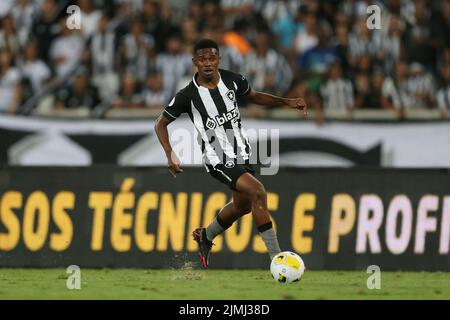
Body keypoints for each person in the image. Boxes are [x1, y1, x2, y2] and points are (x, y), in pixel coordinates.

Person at [154, 39, 308, 268]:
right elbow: (160, 124)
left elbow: (254, 96)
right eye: (203, 59)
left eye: (212, 58)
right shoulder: (187, 95)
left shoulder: (232, 80)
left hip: (242, 152)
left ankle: (205, 235)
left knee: (243, 206)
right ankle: (277, 260)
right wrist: (170, 154)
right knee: (258, 192)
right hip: (217, 157)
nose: (208, 63)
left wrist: (286, 102)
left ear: (219, 60)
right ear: (195, 62)